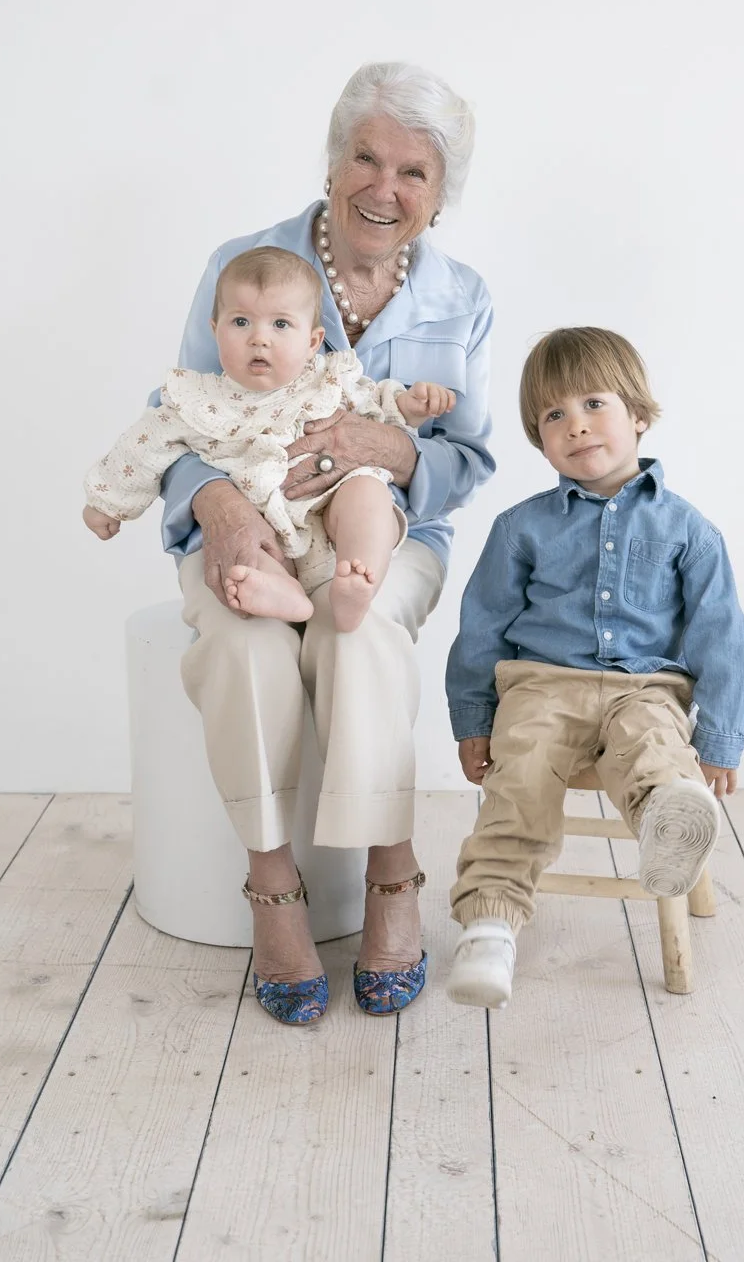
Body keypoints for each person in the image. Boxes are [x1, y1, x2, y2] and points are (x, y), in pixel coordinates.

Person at [160, 61, 493, 1026]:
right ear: (334, 156)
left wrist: (394, 450)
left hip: (381, 530)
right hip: (251, 520)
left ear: (440, 195)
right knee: (239, 637)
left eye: (414, 173)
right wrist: (218, 506)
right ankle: (273, 888)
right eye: (366, 158)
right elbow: (174, 414)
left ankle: (392, 873)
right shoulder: (247, 260)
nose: (383, 189)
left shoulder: (461, 295)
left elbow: (467, 457)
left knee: (363, 621)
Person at [444, 327, 744, 1010]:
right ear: (539, 437)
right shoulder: (520, 529)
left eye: (592, 403)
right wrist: (473, 720)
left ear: (637, 415)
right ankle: (491, 922)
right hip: (540, 687)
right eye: (554, 415)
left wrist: (719, 740)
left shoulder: (688, 530)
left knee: (651, 749)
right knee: (519, 776)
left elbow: (721, 635)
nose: (575, 424)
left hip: (643, 687)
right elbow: (481, 629)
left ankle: (668, 827)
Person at [83, 246, 456, 633]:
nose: (259, 339)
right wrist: (108, 502)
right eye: (241, 322)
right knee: (243, 558)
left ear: (313, 341)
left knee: (366, 491)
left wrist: (410, 406)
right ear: (215, 330)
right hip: (263, 528)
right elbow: (143, 444)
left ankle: (360, 576)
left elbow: (377, 407)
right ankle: (279, 591)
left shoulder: (329, 380)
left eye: (280, 325)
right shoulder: (197, 401)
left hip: (333, 518)